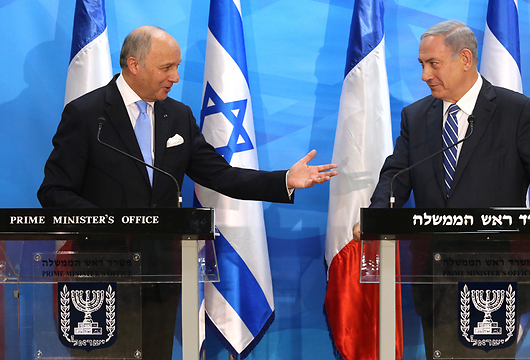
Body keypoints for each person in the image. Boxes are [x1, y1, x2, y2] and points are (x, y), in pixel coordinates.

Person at [38, 25, 337, 359]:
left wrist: (284, 180)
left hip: (160, 272)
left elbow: (221, 175)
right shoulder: (87, 114)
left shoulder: (177, 115)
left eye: (177, 66)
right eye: (167, 68)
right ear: (134, 65)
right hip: (100, 274)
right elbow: (54, 191)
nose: (176, 77)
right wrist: (111, 222)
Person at [352, 20, 530, 359]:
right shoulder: (416, 116)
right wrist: (376, 219)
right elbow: (396, 176)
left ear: (465, 58)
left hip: (495, 278)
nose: (424, 75)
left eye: (432, 63)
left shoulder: (516, 111)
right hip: (433, 278)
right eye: (421, 64)